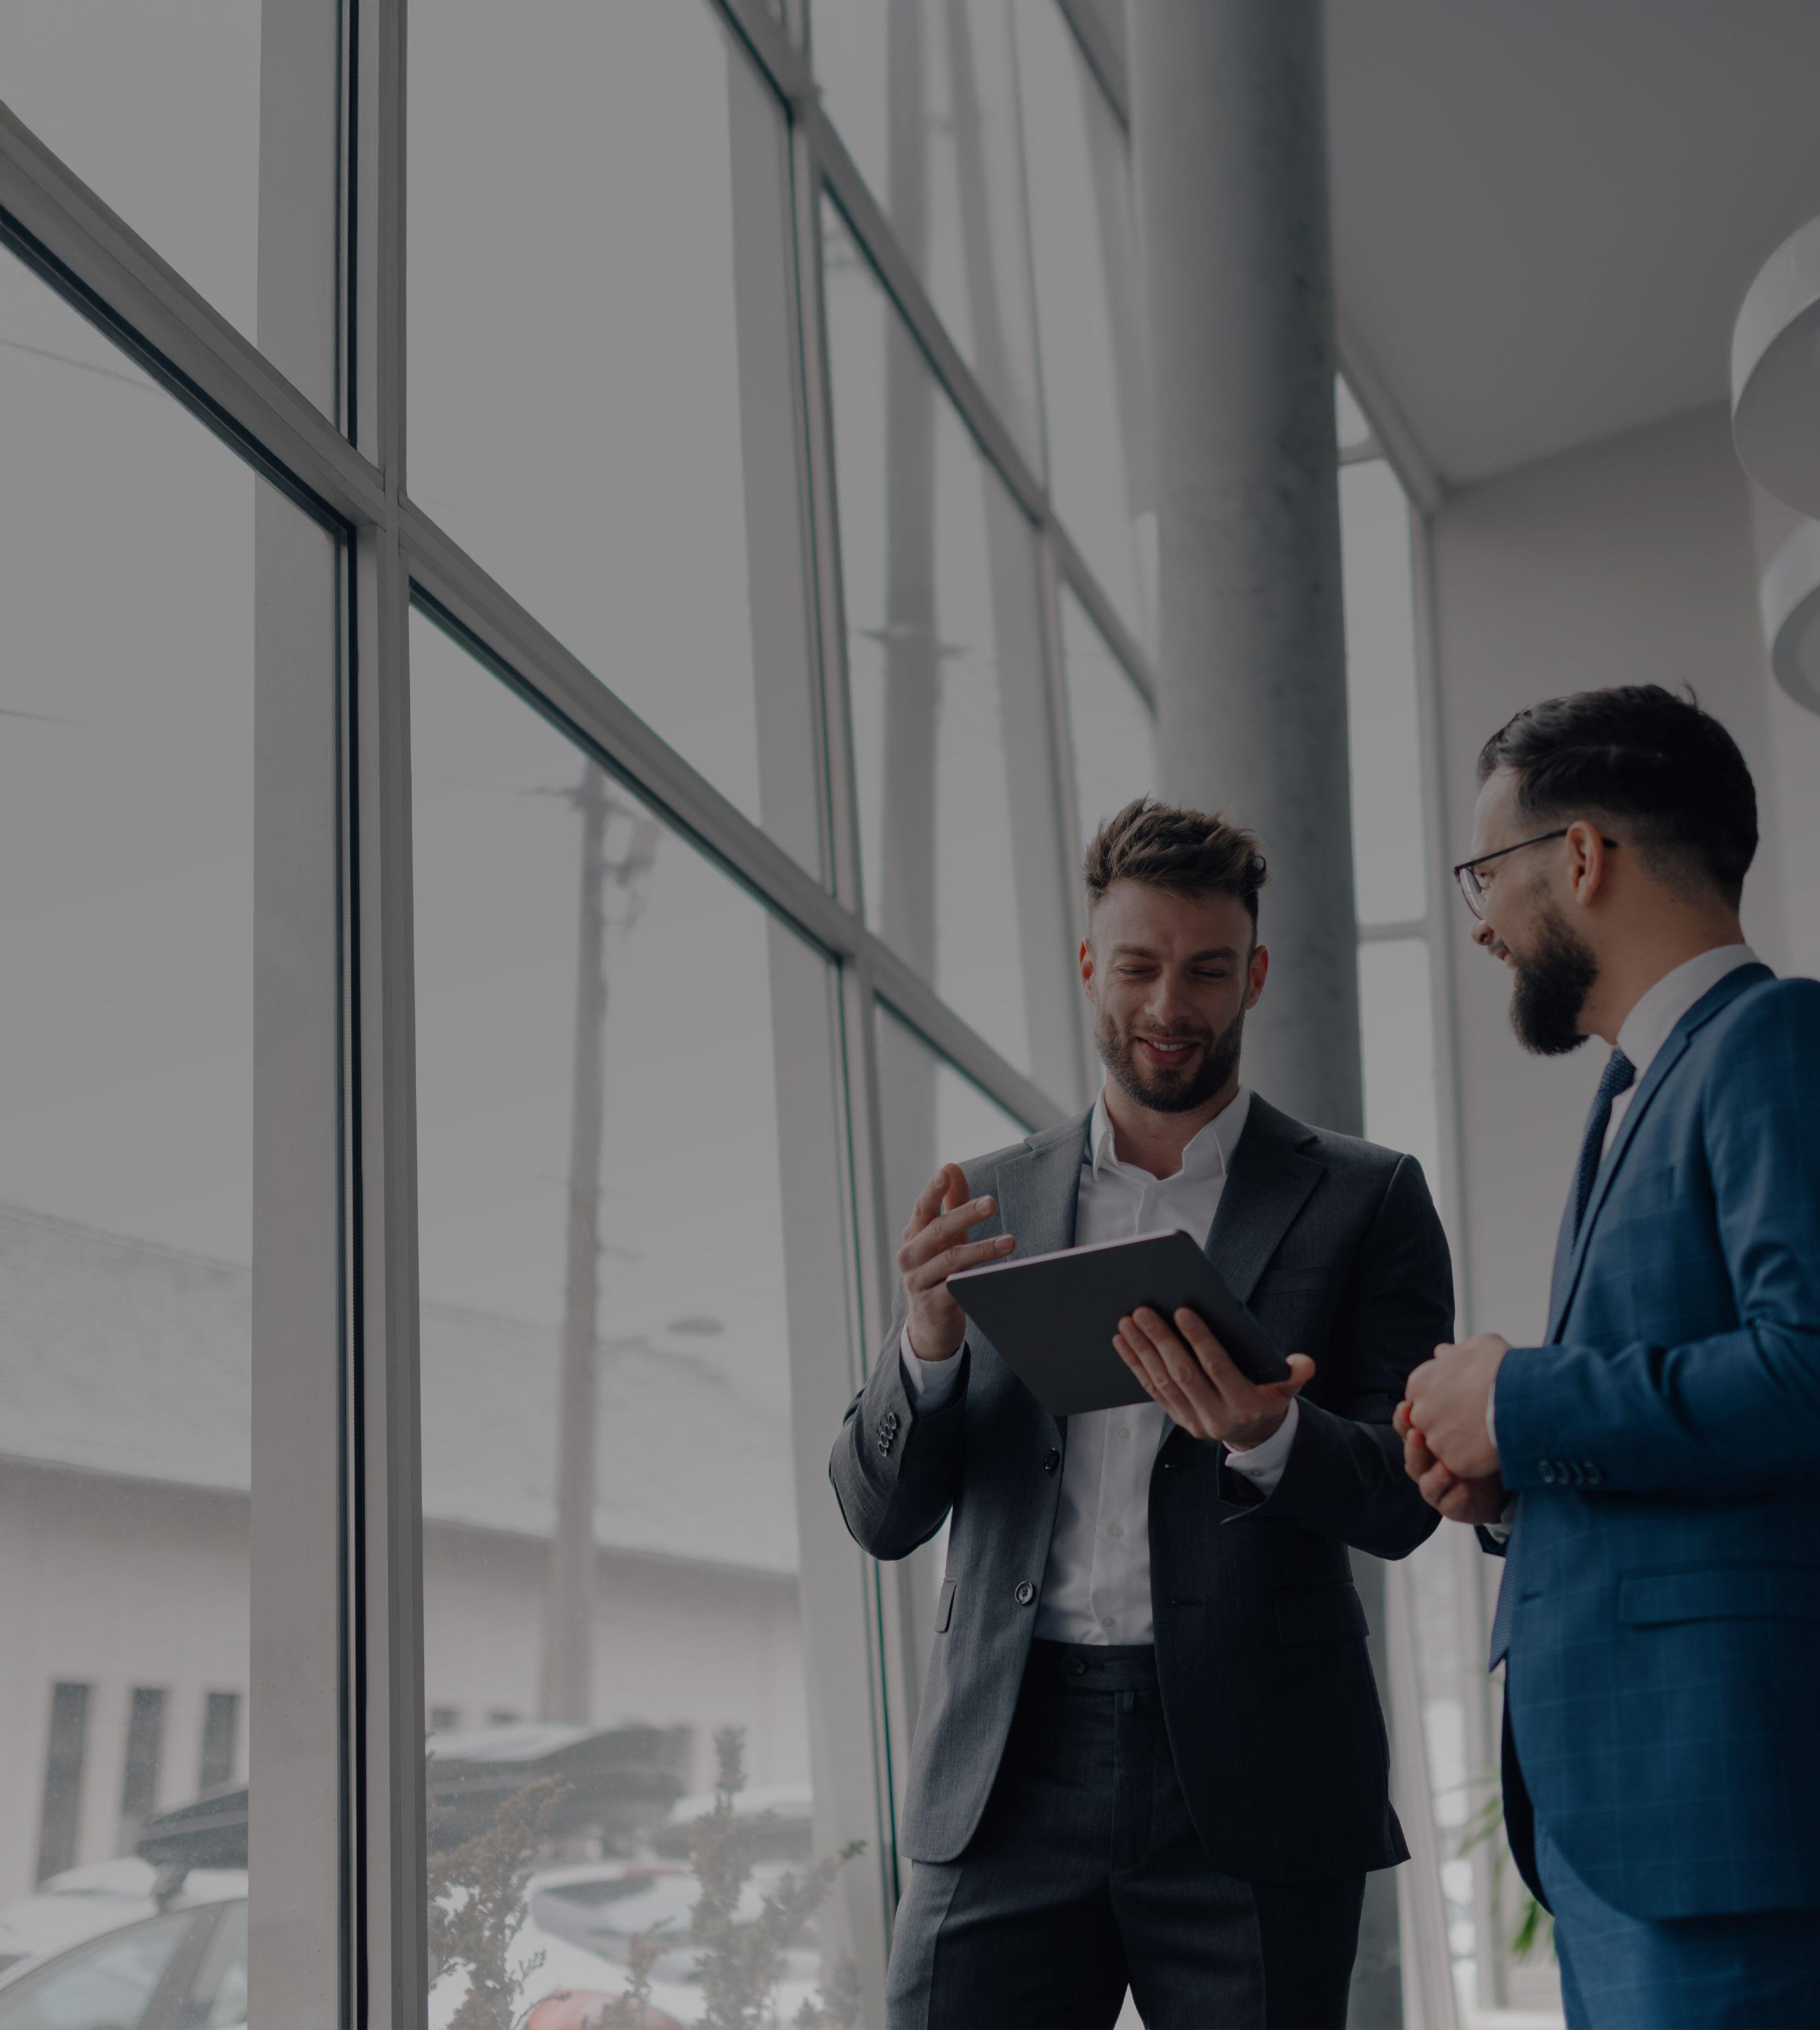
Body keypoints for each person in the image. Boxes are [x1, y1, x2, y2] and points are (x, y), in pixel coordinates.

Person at [829, 799, 1453, 2029]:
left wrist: (1265, 1436)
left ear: (1255, 976)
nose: (1170, 1005)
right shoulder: (985, 1201)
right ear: (1086, 968)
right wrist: (929, 1343)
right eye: (1139, 967)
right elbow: (878, 1515)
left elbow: (1403, 1497)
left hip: (1255, 1767)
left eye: (1207, 970)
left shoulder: (1367, 1198)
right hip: (1009, 1764)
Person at [1398, 685, 1820, 2027]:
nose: (1477, 920)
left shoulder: (1770, 1042)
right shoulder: (1638, 1086)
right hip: (1636, 1827)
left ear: (1578, 858)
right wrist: (1515, 1483)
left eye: (1486, 873)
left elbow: (1805, 1370)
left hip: (1718, 1823)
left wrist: (1516, 1400)